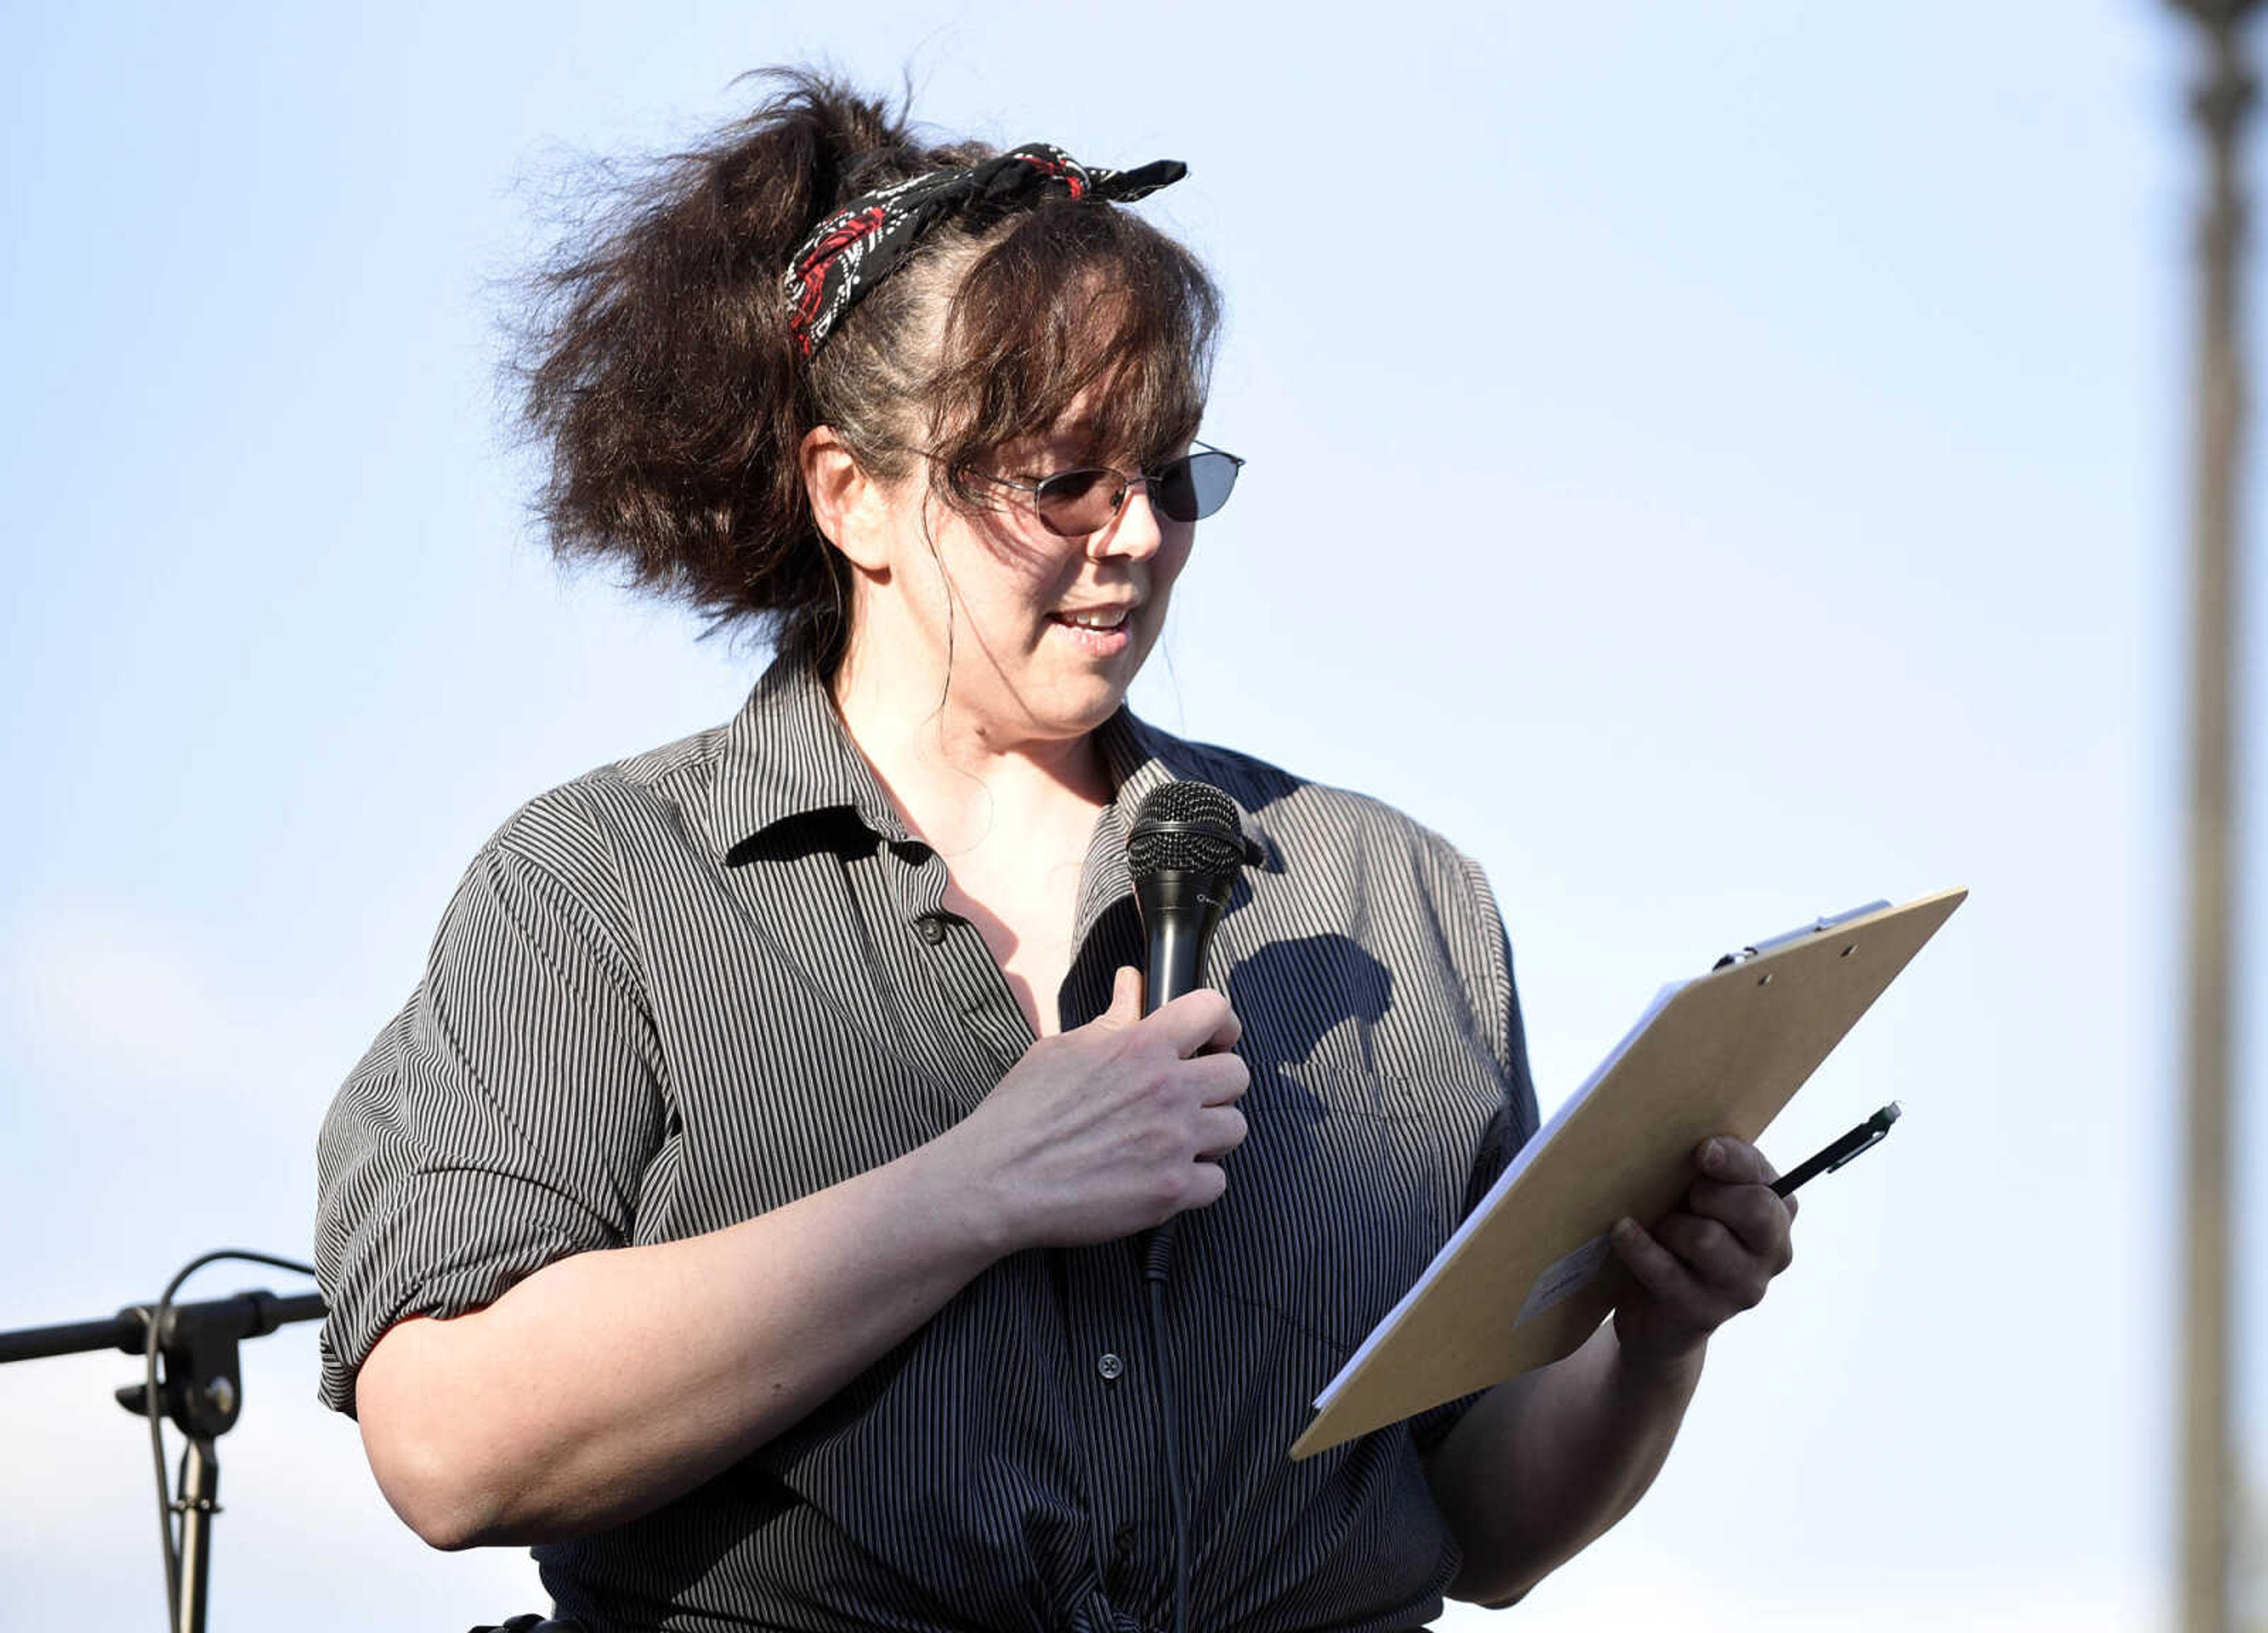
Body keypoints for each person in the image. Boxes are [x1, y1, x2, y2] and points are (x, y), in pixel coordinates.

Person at [313, 71, 1798, 1633]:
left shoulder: (1396, 900)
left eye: (1169, 477)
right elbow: (447, 1443)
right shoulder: (606, 885)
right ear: (853, 496)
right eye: (1061, 481)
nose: (1141, 534)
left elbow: (1481, 1525)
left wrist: (1653, 1340)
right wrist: (977, 1187)